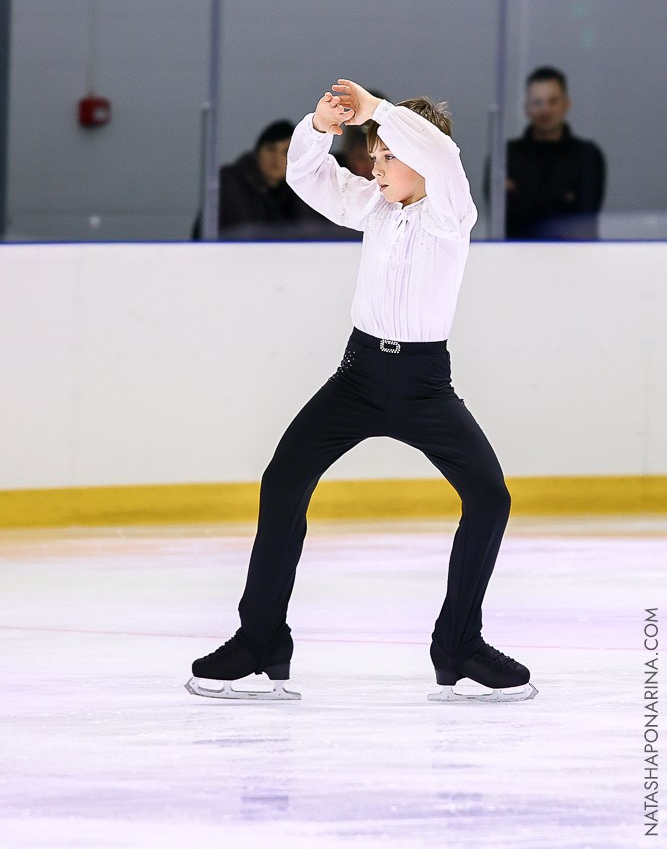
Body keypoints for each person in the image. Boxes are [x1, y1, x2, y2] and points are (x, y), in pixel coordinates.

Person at [187, 79, 536, 704]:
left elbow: (442, 157)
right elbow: (307, 177)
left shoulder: (451, 212)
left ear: (416, 155)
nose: (374, 166)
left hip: (426, 386)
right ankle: (260, 640)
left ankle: (458, 643)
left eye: (385, 155)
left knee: (489, 497)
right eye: (371, 155)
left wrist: (377, 110)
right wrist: (319, 127)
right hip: (359, 377)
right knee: (283, 481)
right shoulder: (373, 206)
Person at [504, 66, 606, 239]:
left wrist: (523, 194)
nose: (545, 110)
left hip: (578, 256)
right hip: (518, 255)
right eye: (537, 102)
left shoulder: (587, 155)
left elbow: (583, 217)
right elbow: (504, 214)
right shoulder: (507, 156)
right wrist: (563, 197)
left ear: (566, 104)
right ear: (526, 107)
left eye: (552, 101)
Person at [192, 119, 331, 239]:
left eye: (285, 152)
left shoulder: (296, 187)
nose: (276, 159)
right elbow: (247, 235)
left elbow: (312, 232)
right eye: (271, 149)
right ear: (258, 152)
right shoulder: (231, 182)